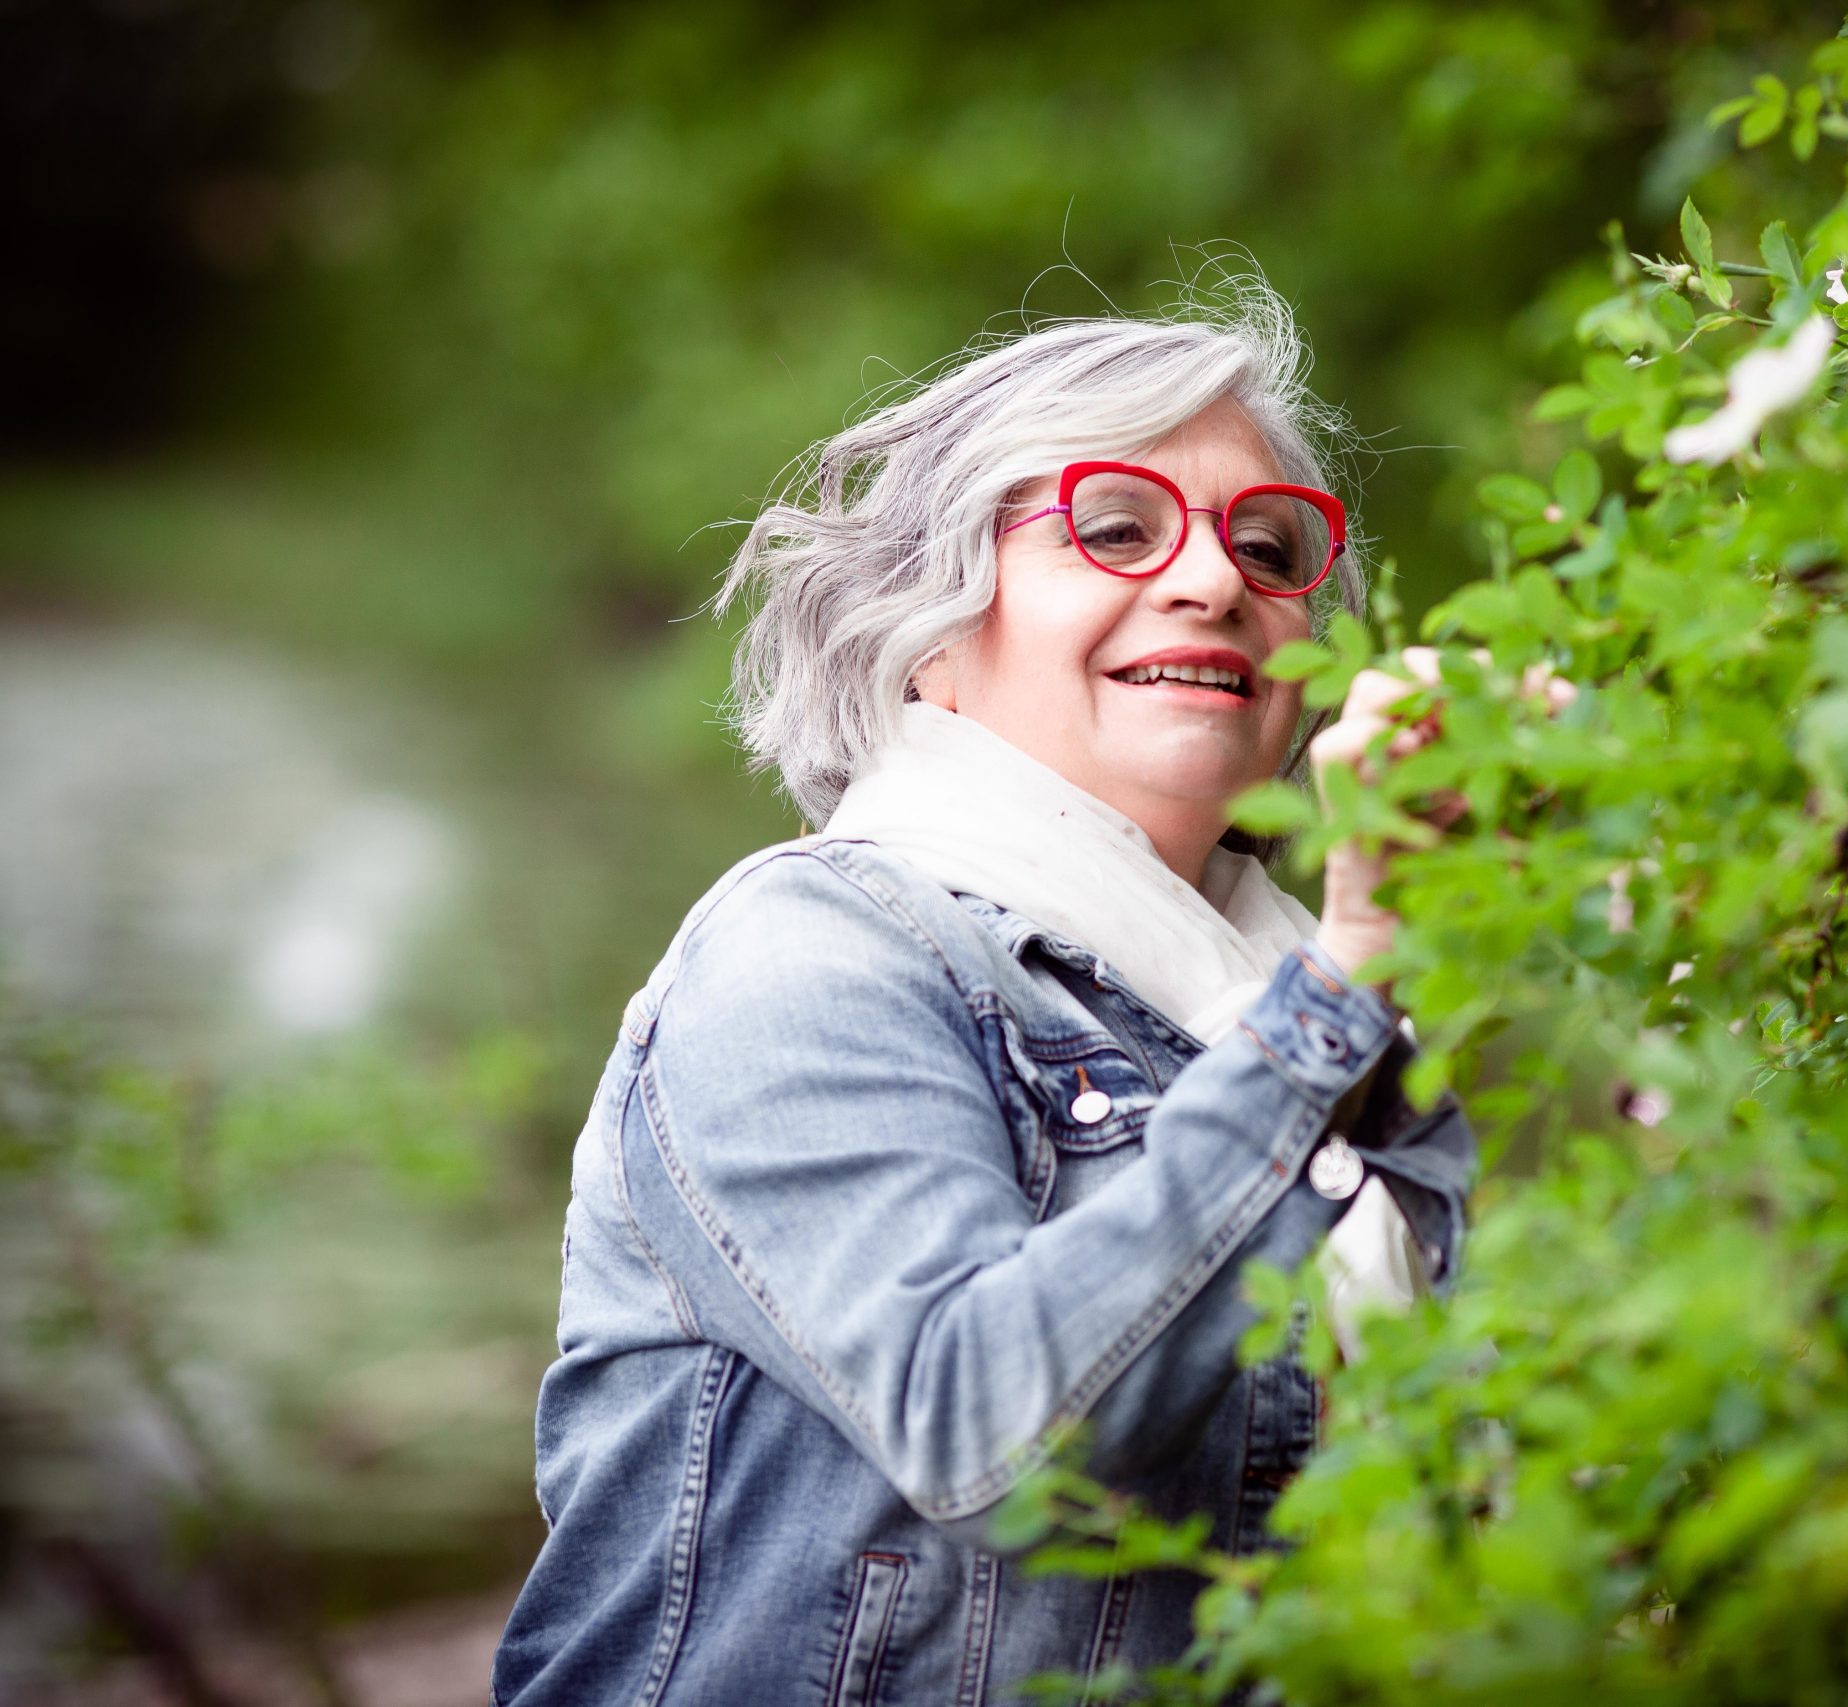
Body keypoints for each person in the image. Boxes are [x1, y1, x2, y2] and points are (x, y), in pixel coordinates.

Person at [490, 286, 1569, 1705]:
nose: (1213, 580)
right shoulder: (811, 949)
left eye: (1270, 545)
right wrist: (1348, 976)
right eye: (1115, 526)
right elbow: (983, 1421)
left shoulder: (1324, 1012)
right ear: (924, 628)